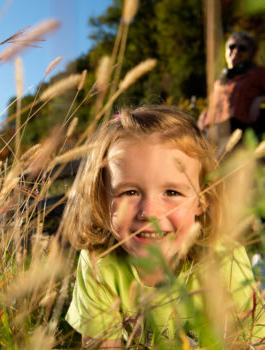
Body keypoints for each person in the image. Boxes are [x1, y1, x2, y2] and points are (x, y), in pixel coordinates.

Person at [63, 105, 265, 349]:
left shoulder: (226, 261)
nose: (149, 212)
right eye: (129, 192)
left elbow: (250, 343)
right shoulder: (99, 265)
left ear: (203, 199)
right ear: (102, 199)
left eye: (172, 192)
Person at [198, 31, 265, 151]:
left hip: (237, 132)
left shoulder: (256, 73)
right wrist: (204, 117)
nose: (236, 51)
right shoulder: (221, 79)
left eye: (242, 48)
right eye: (232, 46)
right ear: (226, 50)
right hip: (210, 134)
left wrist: (259, 101)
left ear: (250, 54)